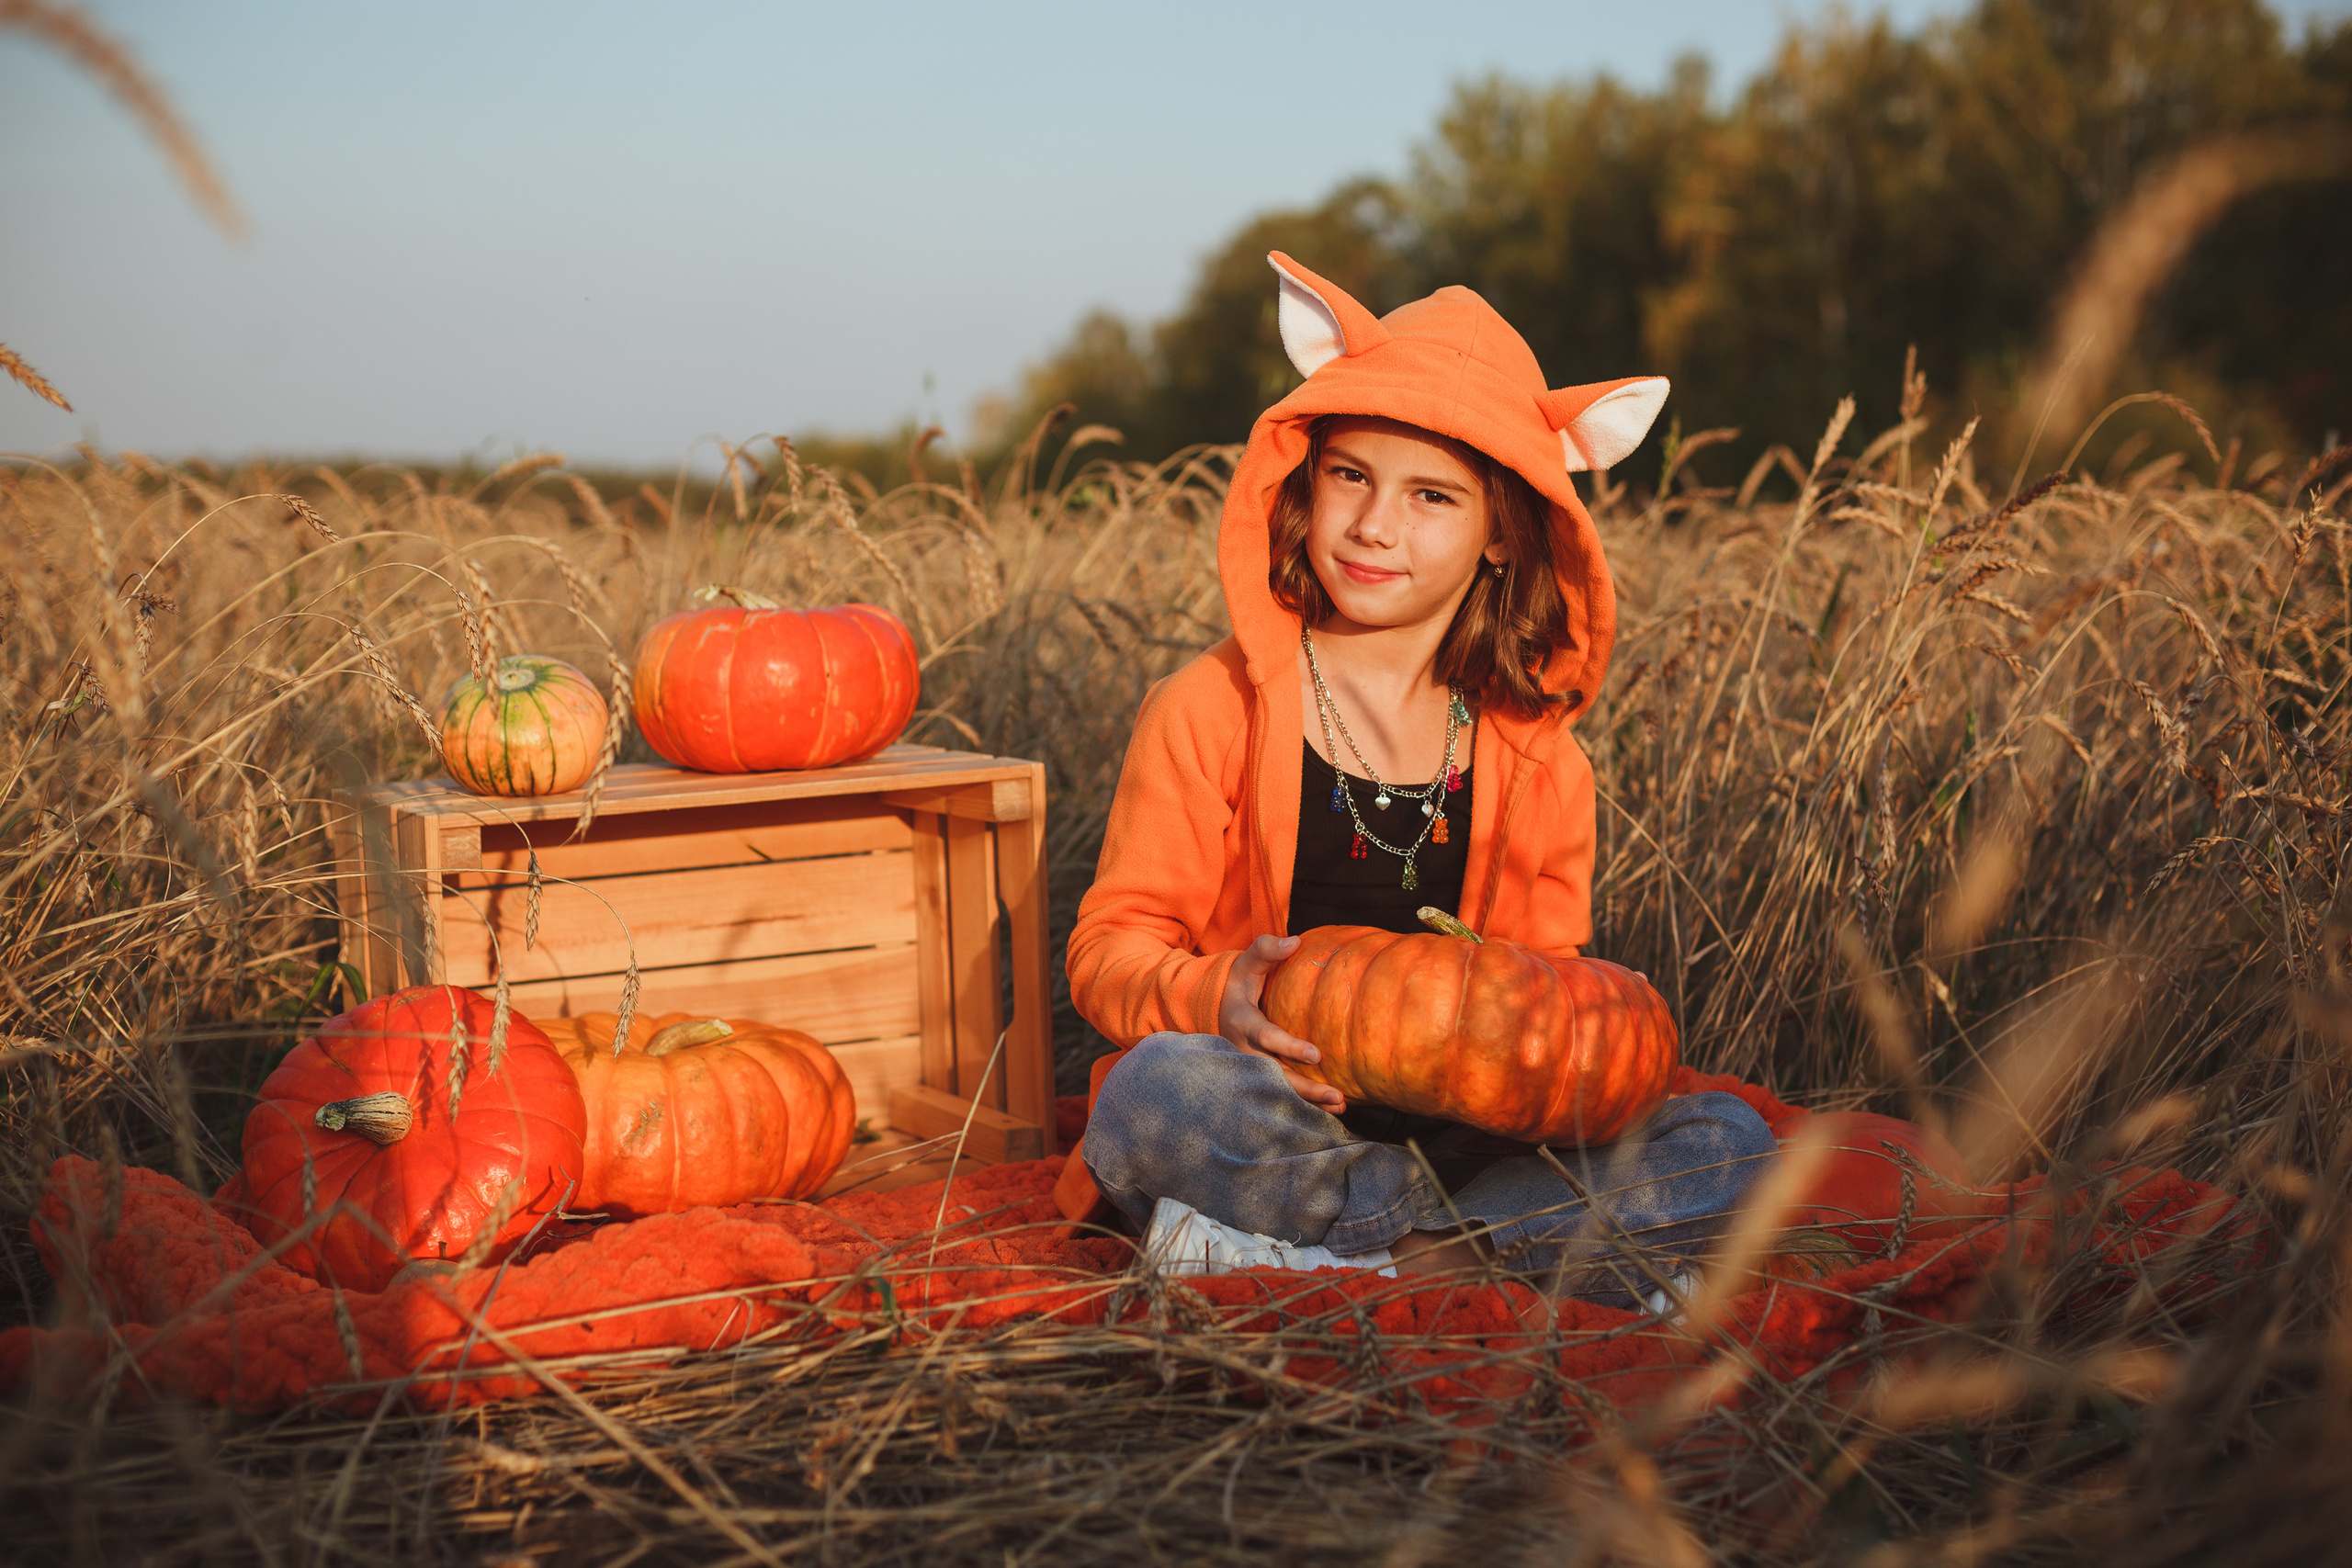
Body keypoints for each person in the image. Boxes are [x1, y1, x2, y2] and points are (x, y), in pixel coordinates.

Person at [1057, 254, 1777, 1306]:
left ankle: (1363, 1259)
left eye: (1431, 495)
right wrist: (1222, 994)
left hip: (1478, 1148)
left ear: (1499, 536)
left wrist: (1558, 1078)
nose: (1374, 525)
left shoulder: (1537, 761)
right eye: (1351, 474)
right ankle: (1498, 1262)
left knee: (1726, 1140)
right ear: (1308, 481)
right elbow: (1108, 952)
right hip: (1279, 1113)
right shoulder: (1207, 708)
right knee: (1152, 1098)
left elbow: (1545, 997)